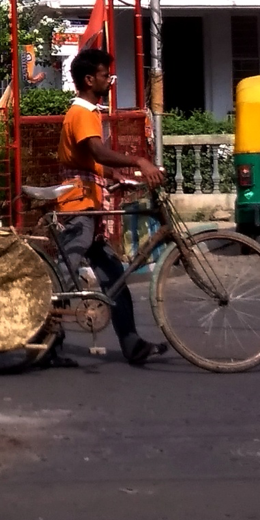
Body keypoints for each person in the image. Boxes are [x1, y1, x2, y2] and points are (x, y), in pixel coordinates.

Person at [57, 48, 167, 366]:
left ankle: (131, 343)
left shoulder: (87, 111)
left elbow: (89, 161)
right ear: (90, 79)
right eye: (106, 75)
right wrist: (138, 160)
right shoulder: (82, 113)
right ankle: (44, 343)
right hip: (78, 207)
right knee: (62, 280)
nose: (109, 80)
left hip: (88, 204)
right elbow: (98, 152)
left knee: (114, 276)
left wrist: (115, 175)